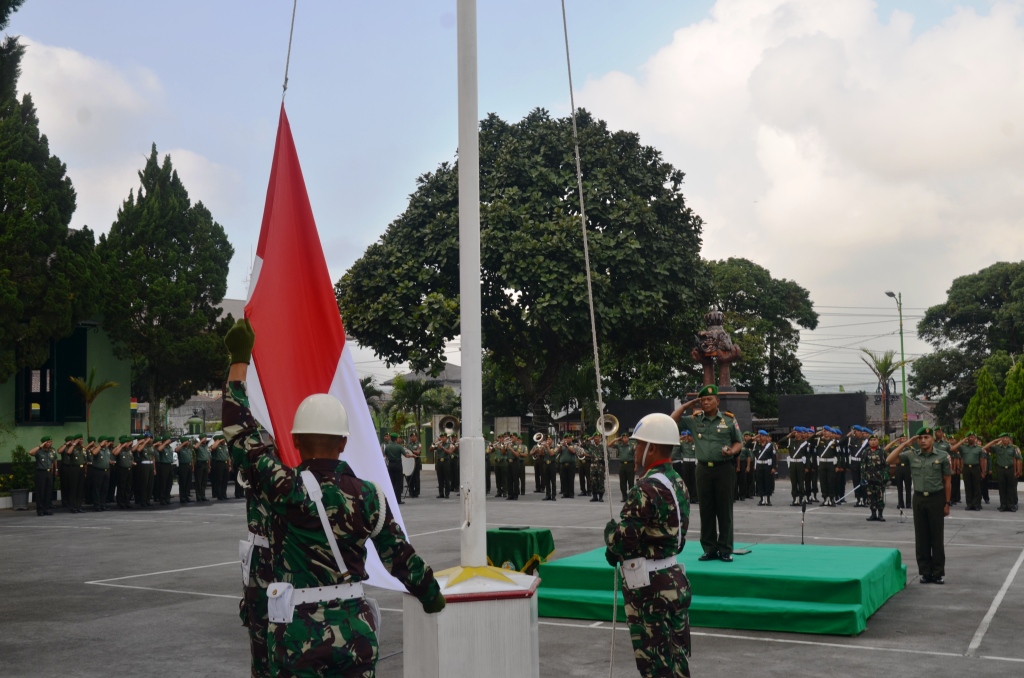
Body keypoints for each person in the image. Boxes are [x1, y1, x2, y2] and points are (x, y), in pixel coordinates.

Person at [222, 319, 445, 676]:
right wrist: (431, 595)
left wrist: (238, 362)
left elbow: (239, 433)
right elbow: (401, 557)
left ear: (294, 442)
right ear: (343, 443)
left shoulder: (284, 488)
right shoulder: (369, 496)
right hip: (354, 633)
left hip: (298, 637)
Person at [604, 412, 691, 678]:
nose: (635, 449)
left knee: (656, 666)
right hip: (673, 578)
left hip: (650, 587)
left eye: (639, 444)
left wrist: (610, 533)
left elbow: (622, 542)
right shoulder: (677, 481)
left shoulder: (645, 488)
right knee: (677, 661)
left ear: (652, 447)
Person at [671, 384, 743, 562]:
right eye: (702, 400)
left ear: (717, 401)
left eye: (709, 399)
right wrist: (687, 405)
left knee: (724, 510)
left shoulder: (728, 420)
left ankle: (725, 549)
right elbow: (672, 420)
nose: (705, 402)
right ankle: (709, 549)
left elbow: (738, 442)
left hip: (724, 468)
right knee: (706, 510)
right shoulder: (694, 420)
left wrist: (732, 452)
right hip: (702, 469)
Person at [886, 427, 951, 584]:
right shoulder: (911, 454)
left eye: (926, 437)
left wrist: (947, 503)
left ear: (932, 439)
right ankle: (925, 572)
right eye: (920, 438)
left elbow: (947, 480)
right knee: (921, 538)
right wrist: (906, 443)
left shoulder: (942, 456)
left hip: (936, 499)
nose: (923, 440)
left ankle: (937, 573)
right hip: (919, 499)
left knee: (936, 537)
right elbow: (889, 460)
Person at [983, 434, 1022, 512]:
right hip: (1001, 469)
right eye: (1003, 438)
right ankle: (1003, 505)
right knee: (1002, 487)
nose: (1005, 439)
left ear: (1009, 439)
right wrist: (995, 441)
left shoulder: (1014, 448)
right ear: (1001, 439)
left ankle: (1010, 505)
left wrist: (1018, 471)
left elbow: (1018, 458)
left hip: (1010, 469)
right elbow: (984, 448)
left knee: (1010, 488)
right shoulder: (997, 448)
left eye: (1006, 438)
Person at [952, 431, 986, 511]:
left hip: (976, 468)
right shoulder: (963, 447)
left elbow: (982, 461)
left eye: (973, 437)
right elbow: (953, 448)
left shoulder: (979, 448)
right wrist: (962, 441)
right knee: (968, 487)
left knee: (976, 487)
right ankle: (969, 504)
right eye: (969, 437)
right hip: (966, 468)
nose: (971, 438)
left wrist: (983, 471)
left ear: (975, 438)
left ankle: (977, 504)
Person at [862, 432, 888, 521]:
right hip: (869, 477)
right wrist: (863, 477)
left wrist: (886, 476)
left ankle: (880, 514)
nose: (873, 442)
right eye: (871, 440)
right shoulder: (865, 452)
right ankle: (873, 513)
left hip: (879, 477)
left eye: (875, 440)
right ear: (868, 442)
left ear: (878, 441)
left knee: (879, 496)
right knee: (870, 496)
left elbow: (886, 465)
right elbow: (863, 465)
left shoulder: (882, 452)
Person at [27, 437, 57, 516]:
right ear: (44, 443)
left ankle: (46, 509)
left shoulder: (51, 452)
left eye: (51, 442)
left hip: (49, 472)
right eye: (48, 442)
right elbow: (30, 452)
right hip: (41, 473)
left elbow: (53, 462)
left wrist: (53, 471)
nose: (50, 443)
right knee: (40, 492)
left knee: (48, 491)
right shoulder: (39, 451)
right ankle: (40, 510)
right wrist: (40, 446)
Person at [888, 434, 912, 509]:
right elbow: (886, 449)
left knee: (908, 487)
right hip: (898, 467)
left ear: (907, 439)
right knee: (899, 487)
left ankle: (908, 504)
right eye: (901, 438)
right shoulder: (896, 448)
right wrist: (894, 441)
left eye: (904, 438)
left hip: (907, 468)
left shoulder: (910, 448)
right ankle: (900, 503)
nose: (902, 440)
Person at [752, 430, 777, 506]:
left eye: (763, 436)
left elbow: (774, 457)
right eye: (760, 436)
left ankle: (768, 499)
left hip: (767, 465)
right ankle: (762, 499)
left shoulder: (770, 445)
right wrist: (755, 438)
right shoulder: (756, 445)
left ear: (766, 437)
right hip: (759, 465)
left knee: (767, 482)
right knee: (760, 482)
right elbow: (746, 444)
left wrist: (773, 467)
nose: (761, 437)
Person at [89, 437, 113, 511]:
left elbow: (107, 458)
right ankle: (97, 505)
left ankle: (103, 504)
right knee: (97, 489)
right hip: (98, 471)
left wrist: (109, 462)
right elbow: (94, 453)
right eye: (105, 442)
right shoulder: (97, 449)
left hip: (106, 471)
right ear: (101, 442)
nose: (106, 443)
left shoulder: (107, 450)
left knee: (104, 489)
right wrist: (100, 445)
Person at [383, 432, 407, 504]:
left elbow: (386, 455)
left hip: (391, 465)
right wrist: (413, 456)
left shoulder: (387, 446)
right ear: (396, 439)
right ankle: (398, 500)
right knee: (398, 483)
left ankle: (391, 499)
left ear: (390, 438)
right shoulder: (399, 446)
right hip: (398, 465)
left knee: (392, 482)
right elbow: (406, 455)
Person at [848, 426, 869, 507]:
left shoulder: (866, 441)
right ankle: (858, 499)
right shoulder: (852, 440)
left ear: (861, 432)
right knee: (856, 482)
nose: (855, 433)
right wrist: (849, 435)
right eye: (854, 431)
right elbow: (842, 442)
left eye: (856, 431)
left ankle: (864, 499)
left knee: (863, 482)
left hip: (863, 463)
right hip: (854, 464)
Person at [112, 436, 136, 509]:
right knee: (121, 486)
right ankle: (121, 502)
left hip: (129, 470)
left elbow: (131, 458)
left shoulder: (129, 450)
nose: (128, 444)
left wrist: (132, 463)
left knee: (128, 487)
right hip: (122, 470)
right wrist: (121, 446)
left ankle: (127, 501)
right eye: (127, 443)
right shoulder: (120, 450)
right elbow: (115, 453)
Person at [615, 434, 636, 503]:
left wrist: (636, 466)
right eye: (623, 437)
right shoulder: (619, 446)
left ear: (628, 439)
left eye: (626, 437)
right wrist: (616, 439)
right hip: (622, 465)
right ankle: (624, 497)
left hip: (630, 464)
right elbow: (609, 445)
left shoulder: (631, 446)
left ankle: (631, 497)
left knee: (631, 482)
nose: (624, 439)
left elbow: (635, 456)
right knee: (622, 482)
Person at [211, 431, 232, 500]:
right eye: (223, 440)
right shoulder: (217, 446)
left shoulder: (225, 447)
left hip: (226, 464)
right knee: (219, 480)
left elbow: (228, 456)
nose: (224, 441)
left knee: (225, 480)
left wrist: (229, 465)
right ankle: (219, 495)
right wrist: (219, 441)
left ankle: (224, 494)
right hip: (219, 464)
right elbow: (213, 448)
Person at [195, 435, 214, 502]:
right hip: (200, 464)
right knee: (199, 481)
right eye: (204, 439)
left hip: (205, 464)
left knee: (204, 481)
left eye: (205, 439)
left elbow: (208, 457)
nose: (205, 440)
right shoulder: (198, 446)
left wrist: (209, 466)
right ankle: (198, 496)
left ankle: (203, 495)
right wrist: (201, 441)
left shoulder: (206, 447)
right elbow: (195, 447)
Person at [176, 436, 194, 504]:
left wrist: (192, 466)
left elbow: (191, 458)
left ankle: (187, 496)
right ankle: (182, 497)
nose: (189, 442)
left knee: (188, 482)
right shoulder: (181, 449)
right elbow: (176, 450)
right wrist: (183, 444)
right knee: (183, 482)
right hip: (183, 466)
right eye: (187, 441)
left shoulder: (189, 449)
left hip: (189, 465)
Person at [558, 434, 576, 498]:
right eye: (566, 438)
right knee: (563, 479)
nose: (567, 439)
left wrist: (567, 446)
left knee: (570, 479)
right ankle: (565, 493)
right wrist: (561, 445)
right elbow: (559, 451)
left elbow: (573, 452)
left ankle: (571, 493)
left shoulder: (573, 445)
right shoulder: (562, 446)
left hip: (571, 464)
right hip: (563, 464)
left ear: (571, 439)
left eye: (569, 438)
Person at [736, 432, 753, 502]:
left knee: (743, 480)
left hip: (743, 463)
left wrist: (748, 466)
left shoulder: (745, 446)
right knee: (735, 481)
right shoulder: (736, 445)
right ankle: (735, 496)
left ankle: (742, 495)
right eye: (745, 436)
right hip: (735, 463)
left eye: (748, 436)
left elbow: (748, 457)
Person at [406, 433, 422, 498]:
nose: (412, 438)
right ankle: (411, 491)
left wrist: (411, 451)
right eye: (411, 437)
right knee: (409, 477)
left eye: (414, 437)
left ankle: (416, 492)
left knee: (416, 477)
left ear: (416, 437)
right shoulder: (408, 445)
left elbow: (418, 452)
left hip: (416, 461)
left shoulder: (419, 444)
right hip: (409, 461)